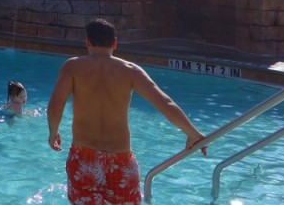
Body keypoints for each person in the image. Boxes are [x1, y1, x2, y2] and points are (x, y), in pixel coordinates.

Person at [47, 19, 206, 205]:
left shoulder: (72, 67)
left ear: (87, 42)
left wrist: (53, 133)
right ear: (115, 43)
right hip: (120, 161)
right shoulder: (131, 71)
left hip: (84, 158)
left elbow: (55, 106)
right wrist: (193, 133)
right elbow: (165, 103)